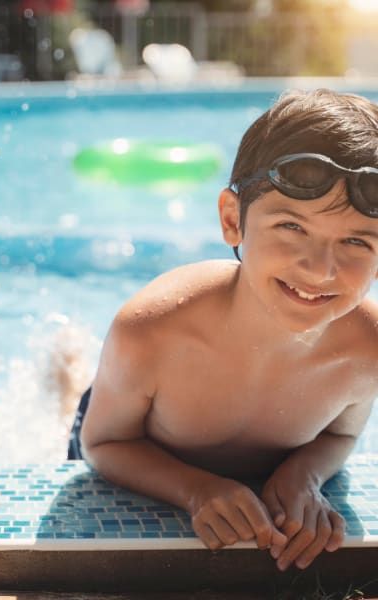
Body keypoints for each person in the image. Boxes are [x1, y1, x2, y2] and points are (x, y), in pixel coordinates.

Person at [67, 88, 378, 571]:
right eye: (292, 227)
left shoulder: (367, 350)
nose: (320, 269)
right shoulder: (154, 330)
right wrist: (195, 490)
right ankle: (67, 371)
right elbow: (102, 445)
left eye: (356, 240)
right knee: (77, 405)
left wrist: (304, 476)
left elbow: (339, 438)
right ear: (233, 220)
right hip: (127, 437)